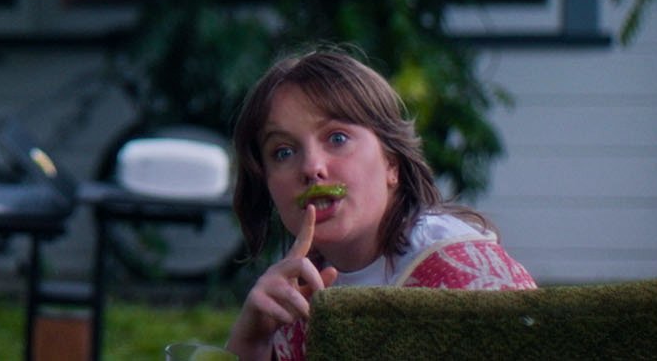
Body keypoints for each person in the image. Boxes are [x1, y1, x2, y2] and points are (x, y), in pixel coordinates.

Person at [225, 47, 535, 361]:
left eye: (337, 138)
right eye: (283, 152)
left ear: (391, 163)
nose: (311, 167)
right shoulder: (293, 290)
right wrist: (252, 343)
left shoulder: (465, 278)